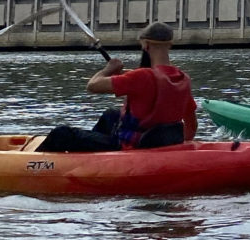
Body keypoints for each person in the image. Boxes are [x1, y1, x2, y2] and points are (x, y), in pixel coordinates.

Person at [38, 23, 197, 154]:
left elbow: (92, 85)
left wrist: (109, 68)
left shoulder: (141, 77)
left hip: (131, 147)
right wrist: (180, 149)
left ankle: (37, 162)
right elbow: (191, 124)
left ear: (146, 45)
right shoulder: (182, 78)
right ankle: (90, 153)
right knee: (111, 115)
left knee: (61, 133)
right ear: (170, 44)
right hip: (159, 141)